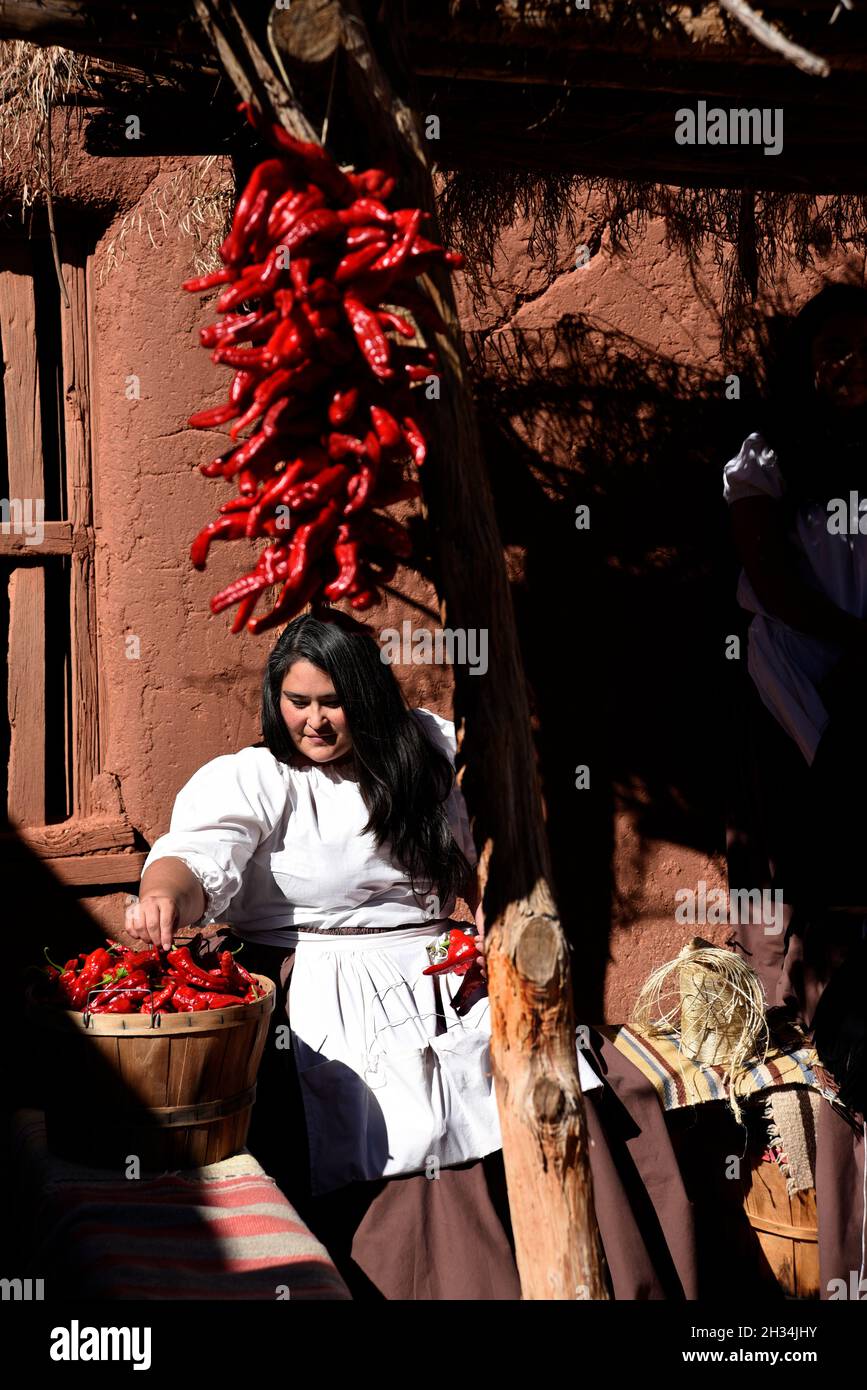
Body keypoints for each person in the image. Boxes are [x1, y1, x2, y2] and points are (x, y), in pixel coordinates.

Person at [127, 608, 521, 1300]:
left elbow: (475, 860)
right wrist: (164, 895)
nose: (312, 721)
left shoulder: (428, 751)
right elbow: (197, 857)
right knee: (380, 1127)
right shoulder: (256, 778)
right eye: (297, 701)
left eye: (332, 703)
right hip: (311, 984)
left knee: (500, 1109)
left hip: (438, 977)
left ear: (366, 696)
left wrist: (495, 919)